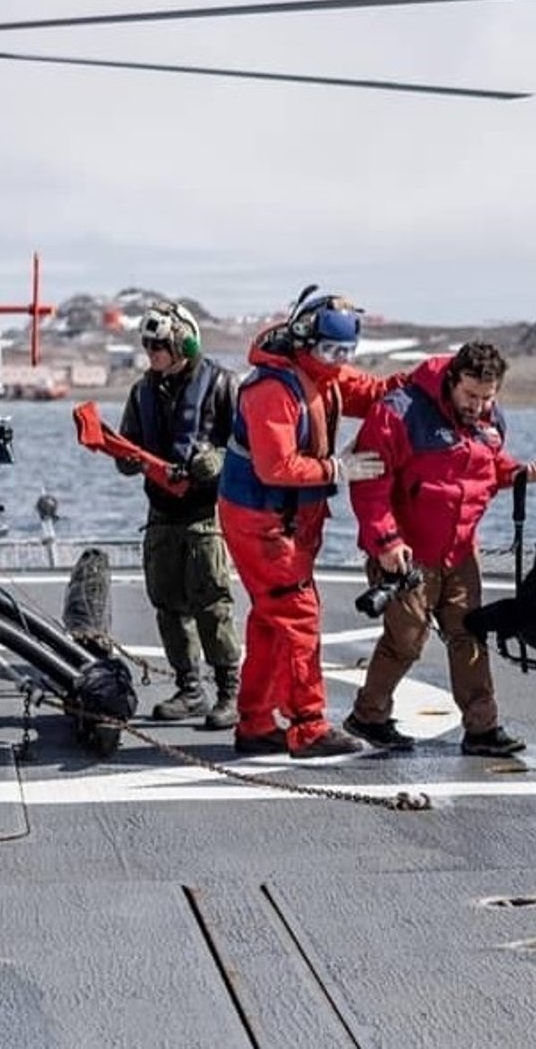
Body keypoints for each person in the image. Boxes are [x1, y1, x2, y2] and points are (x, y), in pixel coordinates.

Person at [218, 289, 402, 759]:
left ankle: (257, 721)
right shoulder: (272, 390)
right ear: (304, 340)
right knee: (297, 618)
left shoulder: (322, 376)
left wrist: (433, 376)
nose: (339, 361)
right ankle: (308, 726)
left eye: (346, 353)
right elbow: (275, 466)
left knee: (270, 620)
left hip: (288, 521)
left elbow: (377, 391)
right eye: (330, 351)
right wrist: (337, 470)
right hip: (265, 522)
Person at [343, 341, 536, 757]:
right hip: (406, 554)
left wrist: (520, 474)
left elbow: (486, 466)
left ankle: (482, 728)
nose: (479, 405)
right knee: (407, 641)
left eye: (488, 397)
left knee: (470, 633)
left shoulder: (490, 419)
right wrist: (385, 541)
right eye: (471, 396)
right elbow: (369, 484)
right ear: (451, 380)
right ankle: (369, 715)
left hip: (460, 550)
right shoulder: (398, 411)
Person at [113, 301, 243, 729]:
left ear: (182, 343)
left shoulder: (223, 385)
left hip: (204, 514)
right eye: (147, 346)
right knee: (167, 603)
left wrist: (217, 460)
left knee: (212, 603)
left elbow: (249, 448)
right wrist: (126, 459)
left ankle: (229, 691)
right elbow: (128, 443)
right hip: (161, 513)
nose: (151, 354)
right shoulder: (142, 391)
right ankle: (190, 688)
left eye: (158, 346)